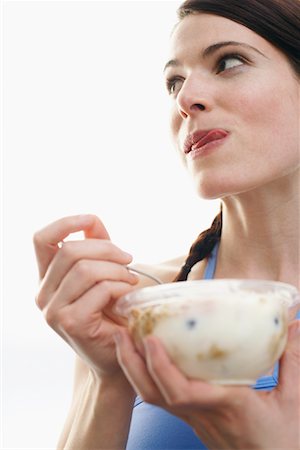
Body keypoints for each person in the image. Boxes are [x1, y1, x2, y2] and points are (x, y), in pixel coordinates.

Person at [33, 0, 300, 448]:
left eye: (229, 62)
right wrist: (108, 378)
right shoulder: (139, 306)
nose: (185, 98)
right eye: (174, 81)